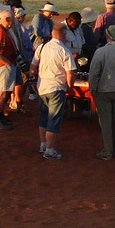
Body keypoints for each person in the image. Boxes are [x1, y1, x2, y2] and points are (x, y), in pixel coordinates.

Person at [89, 24, 115, 160]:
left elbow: (94, 73)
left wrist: (93, 89)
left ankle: (107, 151)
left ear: (107, 36)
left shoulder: (100, 52)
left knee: (106, 122)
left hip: (104, 90)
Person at [36, 20, 76, 159]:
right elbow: (70, 73)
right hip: (57, 87)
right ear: (64, 35)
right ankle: (50, 149)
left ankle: (43, 144)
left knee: (43, 117)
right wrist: (70, 87)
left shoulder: (42, 47)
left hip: (42, 87)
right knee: (54, 119)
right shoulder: (64, 51)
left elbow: (32, 66)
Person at [10, 5, 35, 109]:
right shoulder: (19, 27)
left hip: (25, 56)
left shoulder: (20, 27)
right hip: (23, 57)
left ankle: (16, 100)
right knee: (22, 80)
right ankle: (17, 101)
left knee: (22, 80)